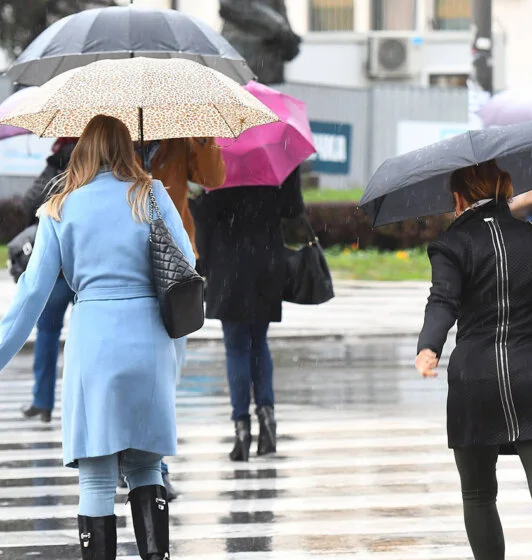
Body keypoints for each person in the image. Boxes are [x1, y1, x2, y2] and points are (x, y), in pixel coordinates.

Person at [0, 115, 188, 559]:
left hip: (96, 345)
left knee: (97, 476)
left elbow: (32, 294)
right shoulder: (153, 195)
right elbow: (186, 269)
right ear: (127, 149)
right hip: (150, 341)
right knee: (145, 467)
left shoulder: (62, 207)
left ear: (82, 150)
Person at [414, 160, 532, 560]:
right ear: (505, 189)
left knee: (478, 495)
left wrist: (429, 347)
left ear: (460, 197)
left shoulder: (450, 245)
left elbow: (442, 301)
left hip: (475, 380)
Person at [192, 167, 305, 462]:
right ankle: (267, 419)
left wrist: (204, 263)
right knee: (259, 343)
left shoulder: (220, 155)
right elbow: (293, 208)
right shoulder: (273, 154)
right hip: (266, 259)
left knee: (236, 347)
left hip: (228, 263)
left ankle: (241, 429)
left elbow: (205, 219)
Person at [143, 136, 225, 498]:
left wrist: (205, 138)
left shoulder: (179, 140)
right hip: (128, 264)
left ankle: (157, 463)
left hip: (174, 267)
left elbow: (212, 178)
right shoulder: (113, 136)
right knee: (134, 370)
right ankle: (123, 454)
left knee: (167, 370)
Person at [18, 137, 76, 424]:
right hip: (87, 271)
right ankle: (82, 404)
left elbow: (31, 201)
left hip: (57, 269)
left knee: (48, 332)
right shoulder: (109, 161)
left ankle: (42, 401)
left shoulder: (59, 161)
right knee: (84, 337)